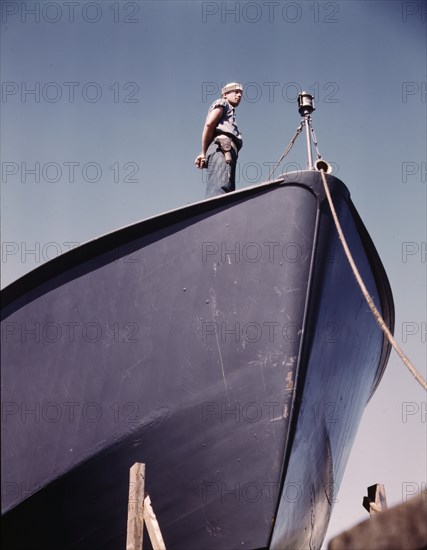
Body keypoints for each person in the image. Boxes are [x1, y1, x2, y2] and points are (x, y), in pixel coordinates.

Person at [195, 82, 243, 198]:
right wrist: (203, 153)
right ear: (225, 94)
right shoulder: (222, 103)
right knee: (220, 190)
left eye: (241, 93)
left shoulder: (230, 111)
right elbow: (209, 124)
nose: (239, 95)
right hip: (222, 147)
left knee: (228, 192)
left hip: (228, 152)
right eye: (236, 92)